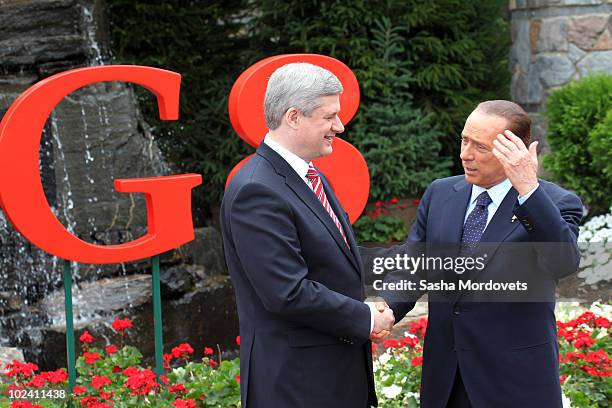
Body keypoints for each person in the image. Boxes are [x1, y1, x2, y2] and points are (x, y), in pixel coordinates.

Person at [380, 100, 583, 407]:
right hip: (446, 380)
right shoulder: (440, 193)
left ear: (513, 151)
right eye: (464, 140)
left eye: (480, 147)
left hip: (515, 383)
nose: (465, 154)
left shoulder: (553, 203)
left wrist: (528, 189)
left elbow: (563, 262)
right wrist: (385, 310)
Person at [220, 62, 393, 408]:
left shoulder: (306, 174)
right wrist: (366, 317)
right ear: (294, 117)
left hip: (327, 380)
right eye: (329, 117)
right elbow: (287, 292)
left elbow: (332, 257)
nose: (339, 127)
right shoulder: (256, 190)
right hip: (297, 386)